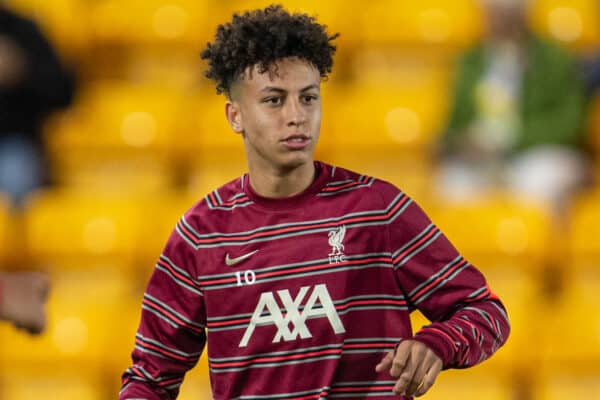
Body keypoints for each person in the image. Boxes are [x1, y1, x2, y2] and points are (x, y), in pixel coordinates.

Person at [120, 5, 510, 399]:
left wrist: (437, 344)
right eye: (274, 100)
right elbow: (150, 378)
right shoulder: (202, 233)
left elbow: (485, 311)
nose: (297, 116)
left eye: (308, 98)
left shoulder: (377, 210)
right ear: (234, 115)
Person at [437, 0, 589, 215]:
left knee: (537, 183)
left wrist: (509, 139)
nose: (500, 20)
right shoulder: (469, 62)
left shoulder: (554, 58)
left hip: (539, 153)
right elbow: (452, 124)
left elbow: (569, 123)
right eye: (494, 13)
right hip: (481, 159)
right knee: (453, 186)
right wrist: (462, 142)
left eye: (507, 13)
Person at [0, 3, 75, 205]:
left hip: (11, 145)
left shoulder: (22, 31)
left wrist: (21, 70)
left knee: (14, 178)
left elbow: (64, 92)